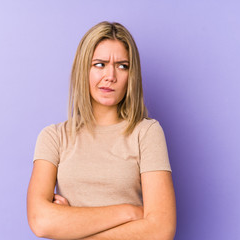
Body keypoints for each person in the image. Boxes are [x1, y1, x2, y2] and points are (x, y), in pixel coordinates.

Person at [27, 21, 177, 240]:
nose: (111, 76)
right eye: (100, 64)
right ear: (83, 69)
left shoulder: (146, 133)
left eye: (122, 66)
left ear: (131, 75)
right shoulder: (54, 137)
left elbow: (161, 231)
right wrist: (130, 212)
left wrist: (69, 224)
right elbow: (41, 221)